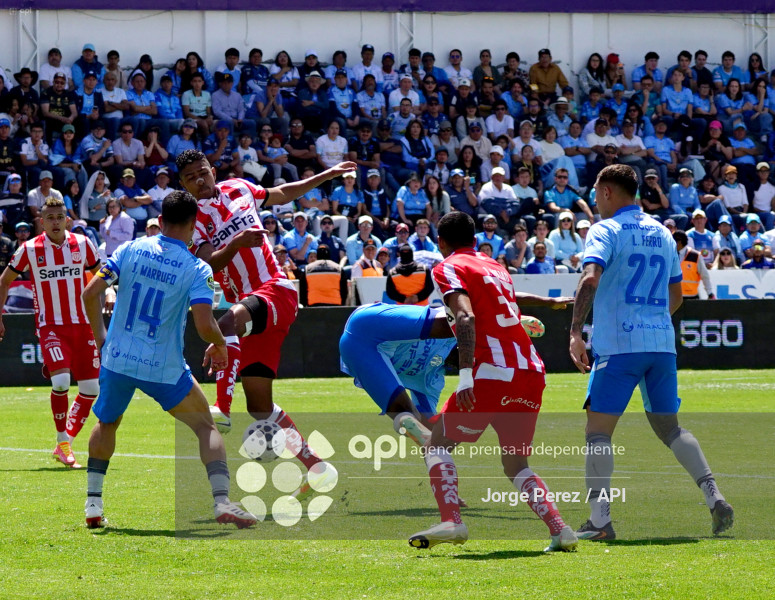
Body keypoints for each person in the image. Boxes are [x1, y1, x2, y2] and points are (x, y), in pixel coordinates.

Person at [569, 164, 733, 541]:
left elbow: (590, 277)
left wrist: (576, 332)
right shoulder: (662, 232)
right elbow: (677, 295)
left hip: (618, 347)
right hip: (661, 344)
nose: (595, 199)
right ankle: (714, 496)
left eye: (596, 192)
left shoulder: (604, 229)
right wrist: (653, 321)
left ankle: (599, 521)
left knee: (598, 433)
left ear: (608, 192)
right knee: (670, 427)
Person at [177, 149, 353, 498]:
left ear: (212, 171)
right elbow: (208, 263)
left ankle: (222, 410)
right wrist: (239, 242)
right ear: (183, 184)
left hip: (276, 290)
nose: (199, 180)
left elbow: (283, 192)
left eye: (202, 173)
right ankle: (318, 466)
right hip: (252, 309)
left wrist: (326, 175)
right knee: (259, 406)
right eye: (190, 178)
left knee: (225, 324)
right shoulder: (191, 221)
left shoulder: (240, 188)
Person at [81, 190, 256, 529]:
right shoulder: (197, 267)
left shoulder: (129, 249)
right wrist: (220, 345)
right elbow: (204, 324)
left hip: (117, 359)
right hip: (162, 366)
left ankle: (93, 504)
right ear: (193, 226)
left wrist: (102, 338)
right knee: (206, 427)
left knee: (107, 424)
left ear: (160, 221)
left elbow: (90, 293)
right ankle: (222, 502)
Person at [409, 210, 576, 551]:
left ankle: (453, 521)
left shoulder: (447, 266)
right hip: (530, 371)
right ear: (475, 239)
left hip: (490, 373)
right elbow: (506, 301)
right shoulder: (494, 265)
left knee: (437, 445)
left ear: (441, 242)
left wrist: (467, 375)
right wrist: (546, 301)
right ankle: (561, 531)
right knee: (516, 463)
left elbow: (465, 315)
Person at [0, 197, 101, 468]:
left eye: (60, 216)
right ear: (41, 221)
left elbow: (101, 274)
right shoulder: (29, 249)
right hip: (51, 326)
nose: (55, 221)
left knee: (91, 388)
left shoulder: (83, 244)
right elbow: (4, 281)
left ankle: (62, 443)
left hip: (84, 325)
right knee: (61, 382)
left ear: (67, 219)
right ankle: (64, 441)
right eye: (50, 217)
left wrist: (111, 290)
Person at [674, 229, 715, 299]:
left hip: (691, 297)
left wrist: (710, 293)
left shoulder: (695, 256)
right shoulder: (670, 255)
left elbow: (704, 275)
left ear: (679, 242)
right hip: (674, 296)